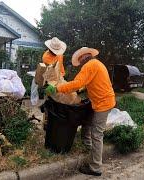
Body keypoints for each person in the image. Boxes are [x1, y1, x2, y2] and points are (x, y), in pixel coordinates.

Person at [45, 47, 116, 176]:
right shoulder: (96, 63)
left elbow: (78, 83)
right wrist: (79, 89)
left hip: (102, 104)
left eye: (80, 60)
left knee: (97, 134)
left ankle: (95, 167)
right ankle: (88, 146)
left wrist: (57, 89)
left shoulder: (89, 65)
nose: (80, 63)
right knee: (87, 121)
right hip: (102, 101)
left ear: (84, 57)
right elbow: (86, 83)